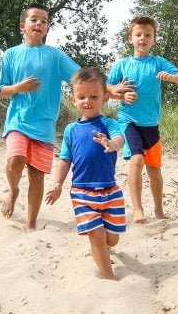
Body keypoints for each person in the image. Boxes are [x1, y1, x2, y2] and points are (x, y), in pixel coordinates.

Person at [0, 3, 80, 231]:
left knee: (36, 175)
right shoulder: (11, 54)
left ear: (47, 29)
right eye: (34, 20)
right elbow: (1, 89)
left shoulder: (55, 56)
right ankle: (13, 190)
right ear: (23, 26)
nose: (39, 24)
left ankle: (31, 224)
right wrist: (18, 88)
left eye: (43, 21)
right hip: (18, 120)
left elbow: (79, 78)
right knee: (15, 161)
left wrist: (109, 88)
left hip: (44, 124)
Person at [45, 67, 126, 280]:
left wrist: (112, 144)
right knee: (97, 236)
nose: (87, 101)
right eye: (82, 97)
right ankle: (109, 278)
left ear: (105, 98)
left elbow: (120, 139)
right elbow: (64, 160)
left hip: (110, 191)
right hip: (82, 192)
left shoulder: (109, 124)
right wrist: (58, 185)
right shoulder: (71, 130)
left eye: (94, 96)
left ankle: (105, 248)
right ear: (73, 99)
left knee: (112, 240)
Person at [107, 16, 178, 224]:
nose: (143, 38)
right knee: (136, 159)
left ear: (154, 39)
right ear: (130, 38)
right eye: (138, 35)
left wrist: (171, 77)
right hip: (128, 120)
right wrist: (121, 96)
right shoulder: (123, 65)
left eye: (147, 35)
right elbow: (106, 90)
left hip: (151, 124)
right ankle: (137, 210)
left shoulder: (158, 62)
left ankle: (159, 210)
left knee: (154, 170)